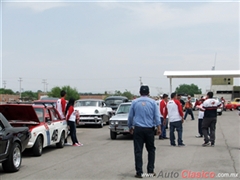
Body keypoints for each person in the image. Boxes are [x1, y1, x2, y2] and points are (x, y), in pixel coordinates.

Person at [128, 85, 161, 178]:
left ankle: (139, 172)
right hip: (149, 129)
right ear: (149, 93)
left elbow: (130, 116)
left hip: (138, 129)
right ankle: (150, 171)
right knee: (151, 150)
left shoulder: (134, 102)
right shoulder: (153, 102)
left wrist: (130, 126)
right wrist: (159, 128)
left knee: (138, 151)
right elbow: (157, 116)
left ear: (139, 92)